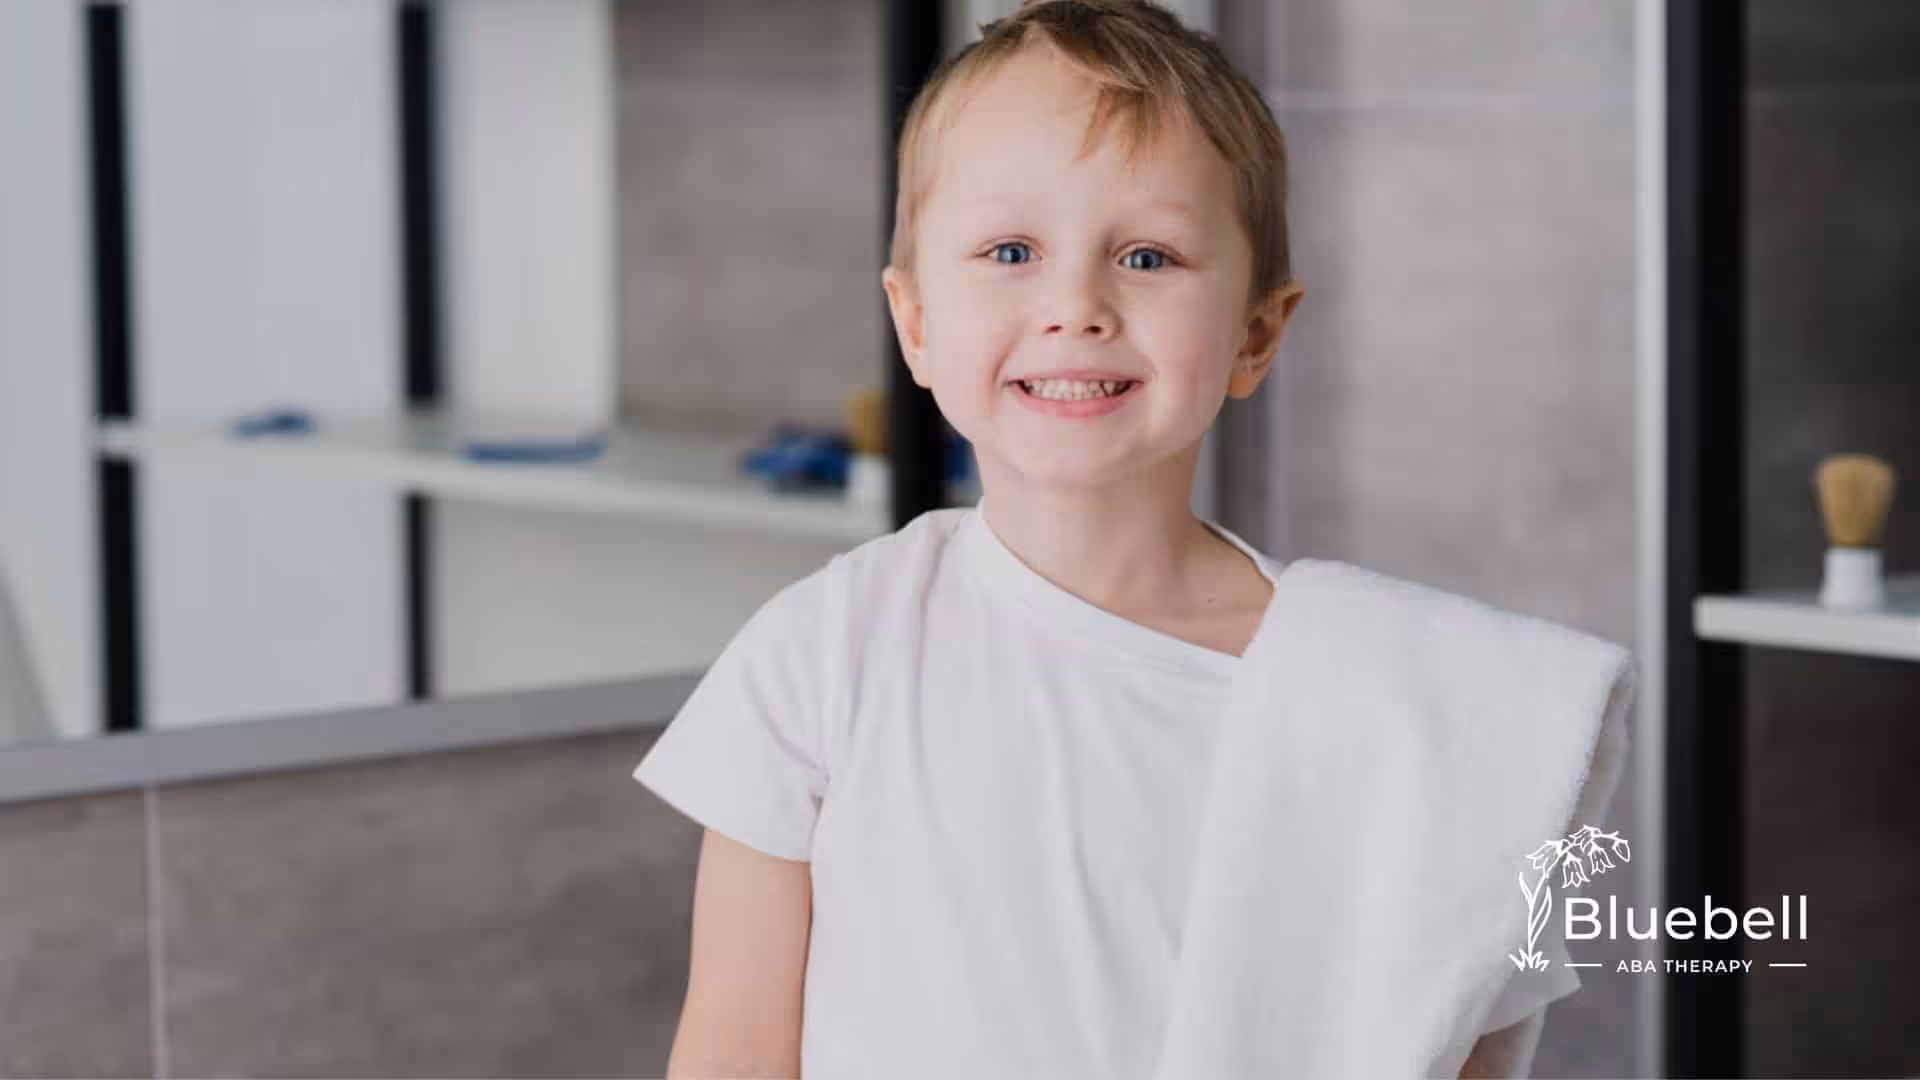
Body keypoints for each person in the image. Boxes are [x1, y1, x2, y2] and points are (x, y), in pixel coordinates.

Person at [635, 2, 1577, 1076]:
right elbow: (735, 1052)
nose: (1075, 304)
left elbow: (1442, 1033)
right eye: (1010, 249)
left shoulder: (1380, 703)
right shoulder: (823, 654)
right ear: (917, 323)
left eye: (1147, 256)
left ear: (1256, 332)